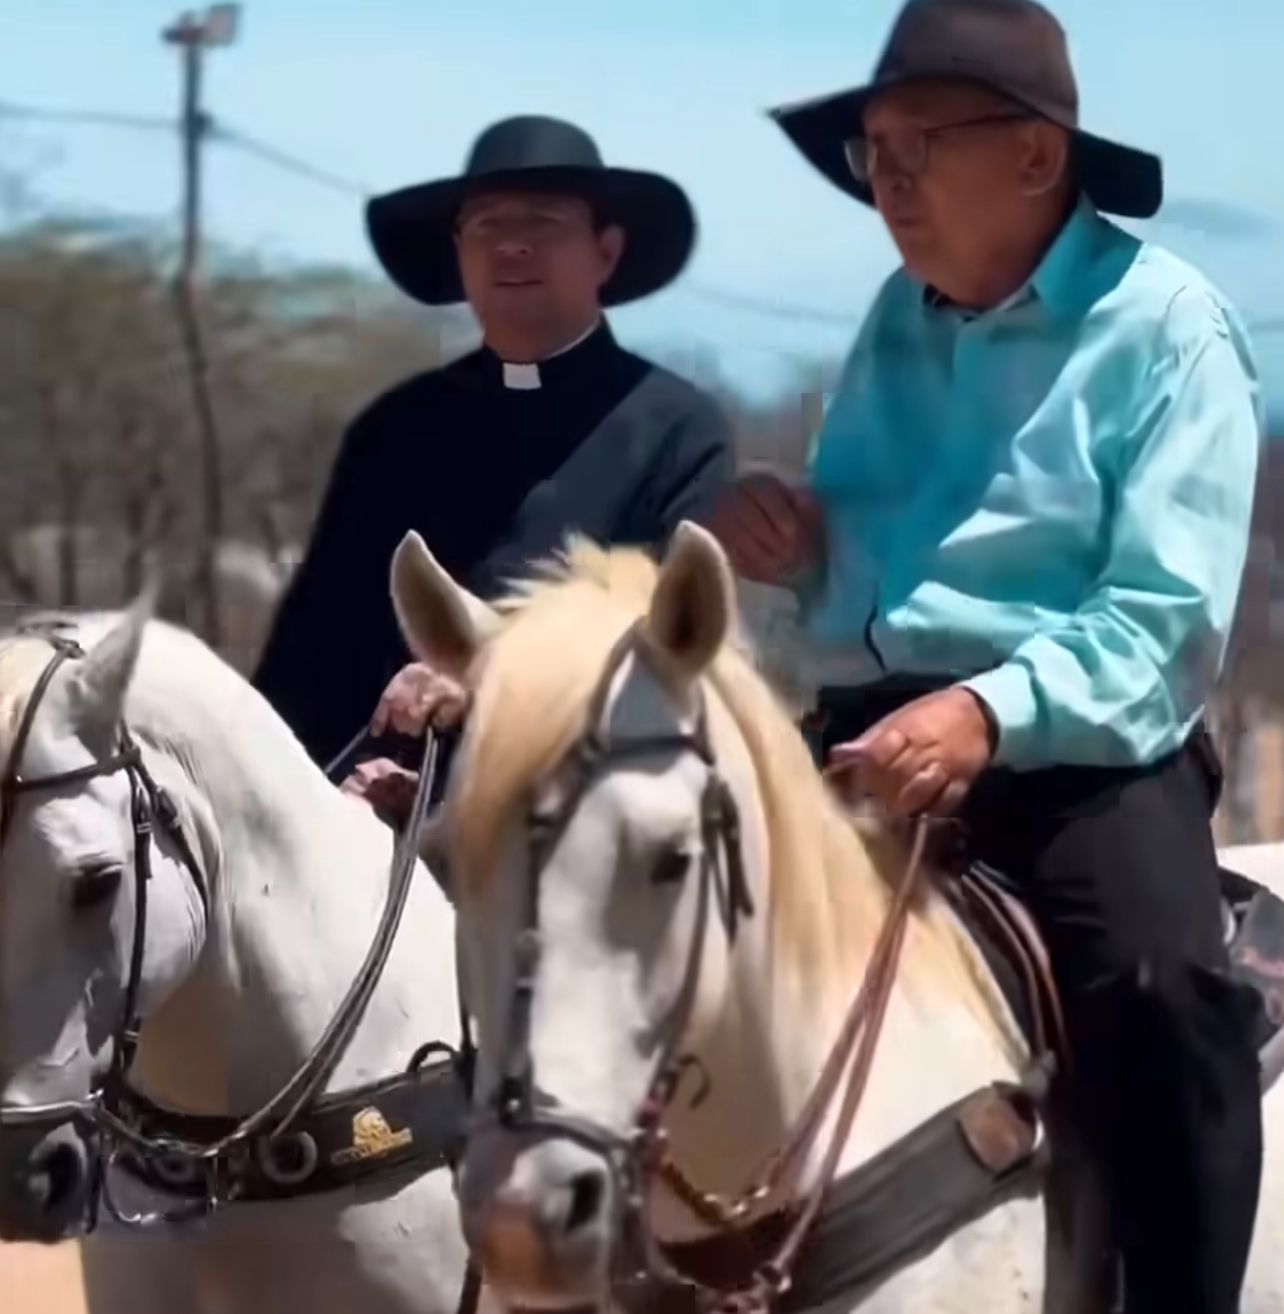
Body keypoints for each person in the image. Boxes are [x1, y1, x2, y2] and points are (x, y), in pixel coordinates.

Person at [709, 2, 1264, 1310]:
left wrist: (986, 711)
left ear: (1034, 157)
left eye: (915, 147)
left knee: (1168, 987)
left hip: (1080, 755)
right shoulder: (895, 320)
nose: (884, 184)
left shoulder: (1172, 328)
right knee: (644, 899)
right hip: (862, 727)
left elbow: (1163, 624)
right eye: (871, 155)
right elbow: (881, 582)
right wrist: (800, 560)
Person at [252, 115, 733, 794]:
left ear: (607, 250)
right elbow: (313, 656)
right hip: (379, 813)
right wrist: (333, 785)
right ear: (458, 252)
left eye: (543, 223)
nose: (512, 246)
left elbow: (665, 651)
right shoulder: (391, 432)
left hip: (586, 809)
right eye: (486, 225)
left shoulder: (678, 429)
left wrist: (482, 677)